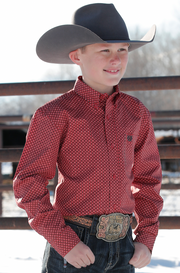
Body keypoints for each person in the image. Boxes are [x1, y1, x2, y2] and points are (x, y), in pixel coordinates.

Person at [13, 3, 163, 273]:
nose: (115, 59)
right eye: (104, 50)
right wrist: (64, 241)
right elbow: (28, 182)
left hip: (124, 247)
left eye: (122, 50)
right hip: (74, 244)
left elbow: (148, 180)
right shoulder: (54, 114)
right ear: (76, 56)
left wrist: (146, 238)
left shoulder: (136, 112)